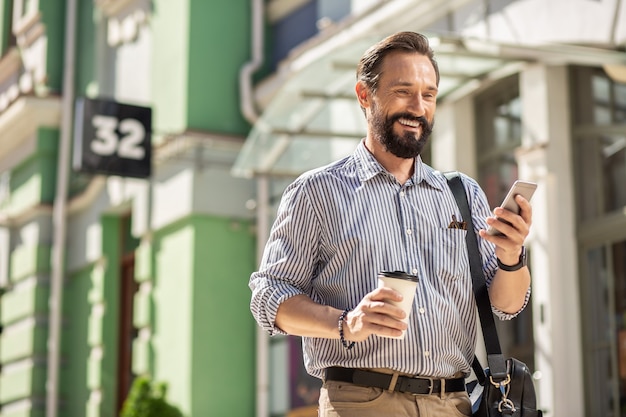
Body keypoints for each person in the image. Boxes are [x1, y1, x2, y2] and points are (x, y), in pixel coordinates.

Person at [249, 31, 532, 417]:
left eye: (428, 95)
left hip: (454, 403)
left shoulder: (462, 193)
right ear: (365, 96)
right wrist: (348, 323)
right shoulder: (317, 191)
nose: (418, 107)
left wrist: (511, 256)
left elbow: (507, 305)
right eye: (403, 91)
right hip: (362, 402)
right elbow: (269, 298)